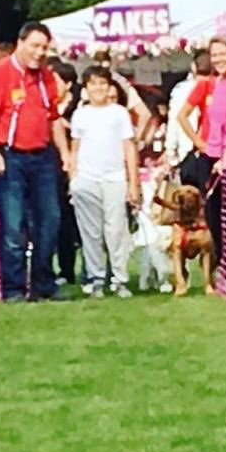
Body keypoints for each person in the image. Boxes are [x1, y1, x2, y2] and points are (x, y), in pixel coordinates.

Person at [0, 21, 70, 303]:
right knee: (13, 226)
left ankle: (43, 283)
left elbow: (53, 118)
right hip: (9, 155)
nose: (39, 53)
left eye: (44, 48)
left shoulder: (47, 78)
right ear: (20, 44)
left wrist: (66, 154)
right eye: (35, 46)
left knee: (50, 221)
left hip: (42, 157)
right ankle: (13, 289)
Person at [68, 68, 140, 299]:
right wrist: (73, 180)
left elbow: (129, 147)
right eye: (93, 84)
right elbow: (75, 148)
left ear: (109, 87)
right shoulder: (80, 114)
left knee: (116, 230)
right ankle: (96, 277)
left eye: (102, 84)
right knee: (90, 232)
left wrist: (133, 183)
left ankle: (119, 279)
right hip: (87, 178)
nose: (97, 88)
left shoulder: (119, 113)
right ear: (86, 88)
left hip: (114, 177)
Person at [176, 37, 226, 265]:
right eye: (214, 55)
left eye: (222, 54)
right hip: (211, 155)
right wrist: (200, 142)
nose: (217, 59)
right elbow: (184, 116)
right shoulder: (213, 84)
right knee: (213, 213)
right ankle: (221, 264)